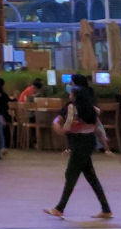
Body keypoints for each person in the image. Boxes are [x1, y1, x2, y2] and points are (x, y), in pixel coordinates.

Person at [45, 74, 112, 220]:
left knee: (71, 174)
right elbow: (96, 127)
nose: (69, 90)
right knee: (91, 177)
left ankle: (59, 208)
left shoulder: (72, 108)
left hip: (79, 144)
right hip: (88, 143)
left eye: (71, 87)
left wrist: (61, 129)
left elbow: (66, 125)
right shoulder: (91, 108)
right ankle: (106, 209)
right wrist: (105, 143)